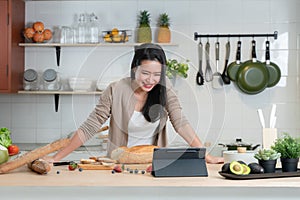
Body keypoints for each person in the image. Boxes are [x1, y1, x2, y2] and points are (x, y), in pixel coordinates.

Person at [46, 43, 224, 164]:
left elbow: (180, 123)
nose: (151, 80)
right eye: (145, 73)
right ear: (134, 69)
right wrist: (57, 158)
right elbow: (90, 127)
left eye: (157, 74)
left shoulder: (164, 88)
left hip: (153, 165)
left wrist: (205, 155)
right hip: (118, 163)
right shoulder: (115, 90)